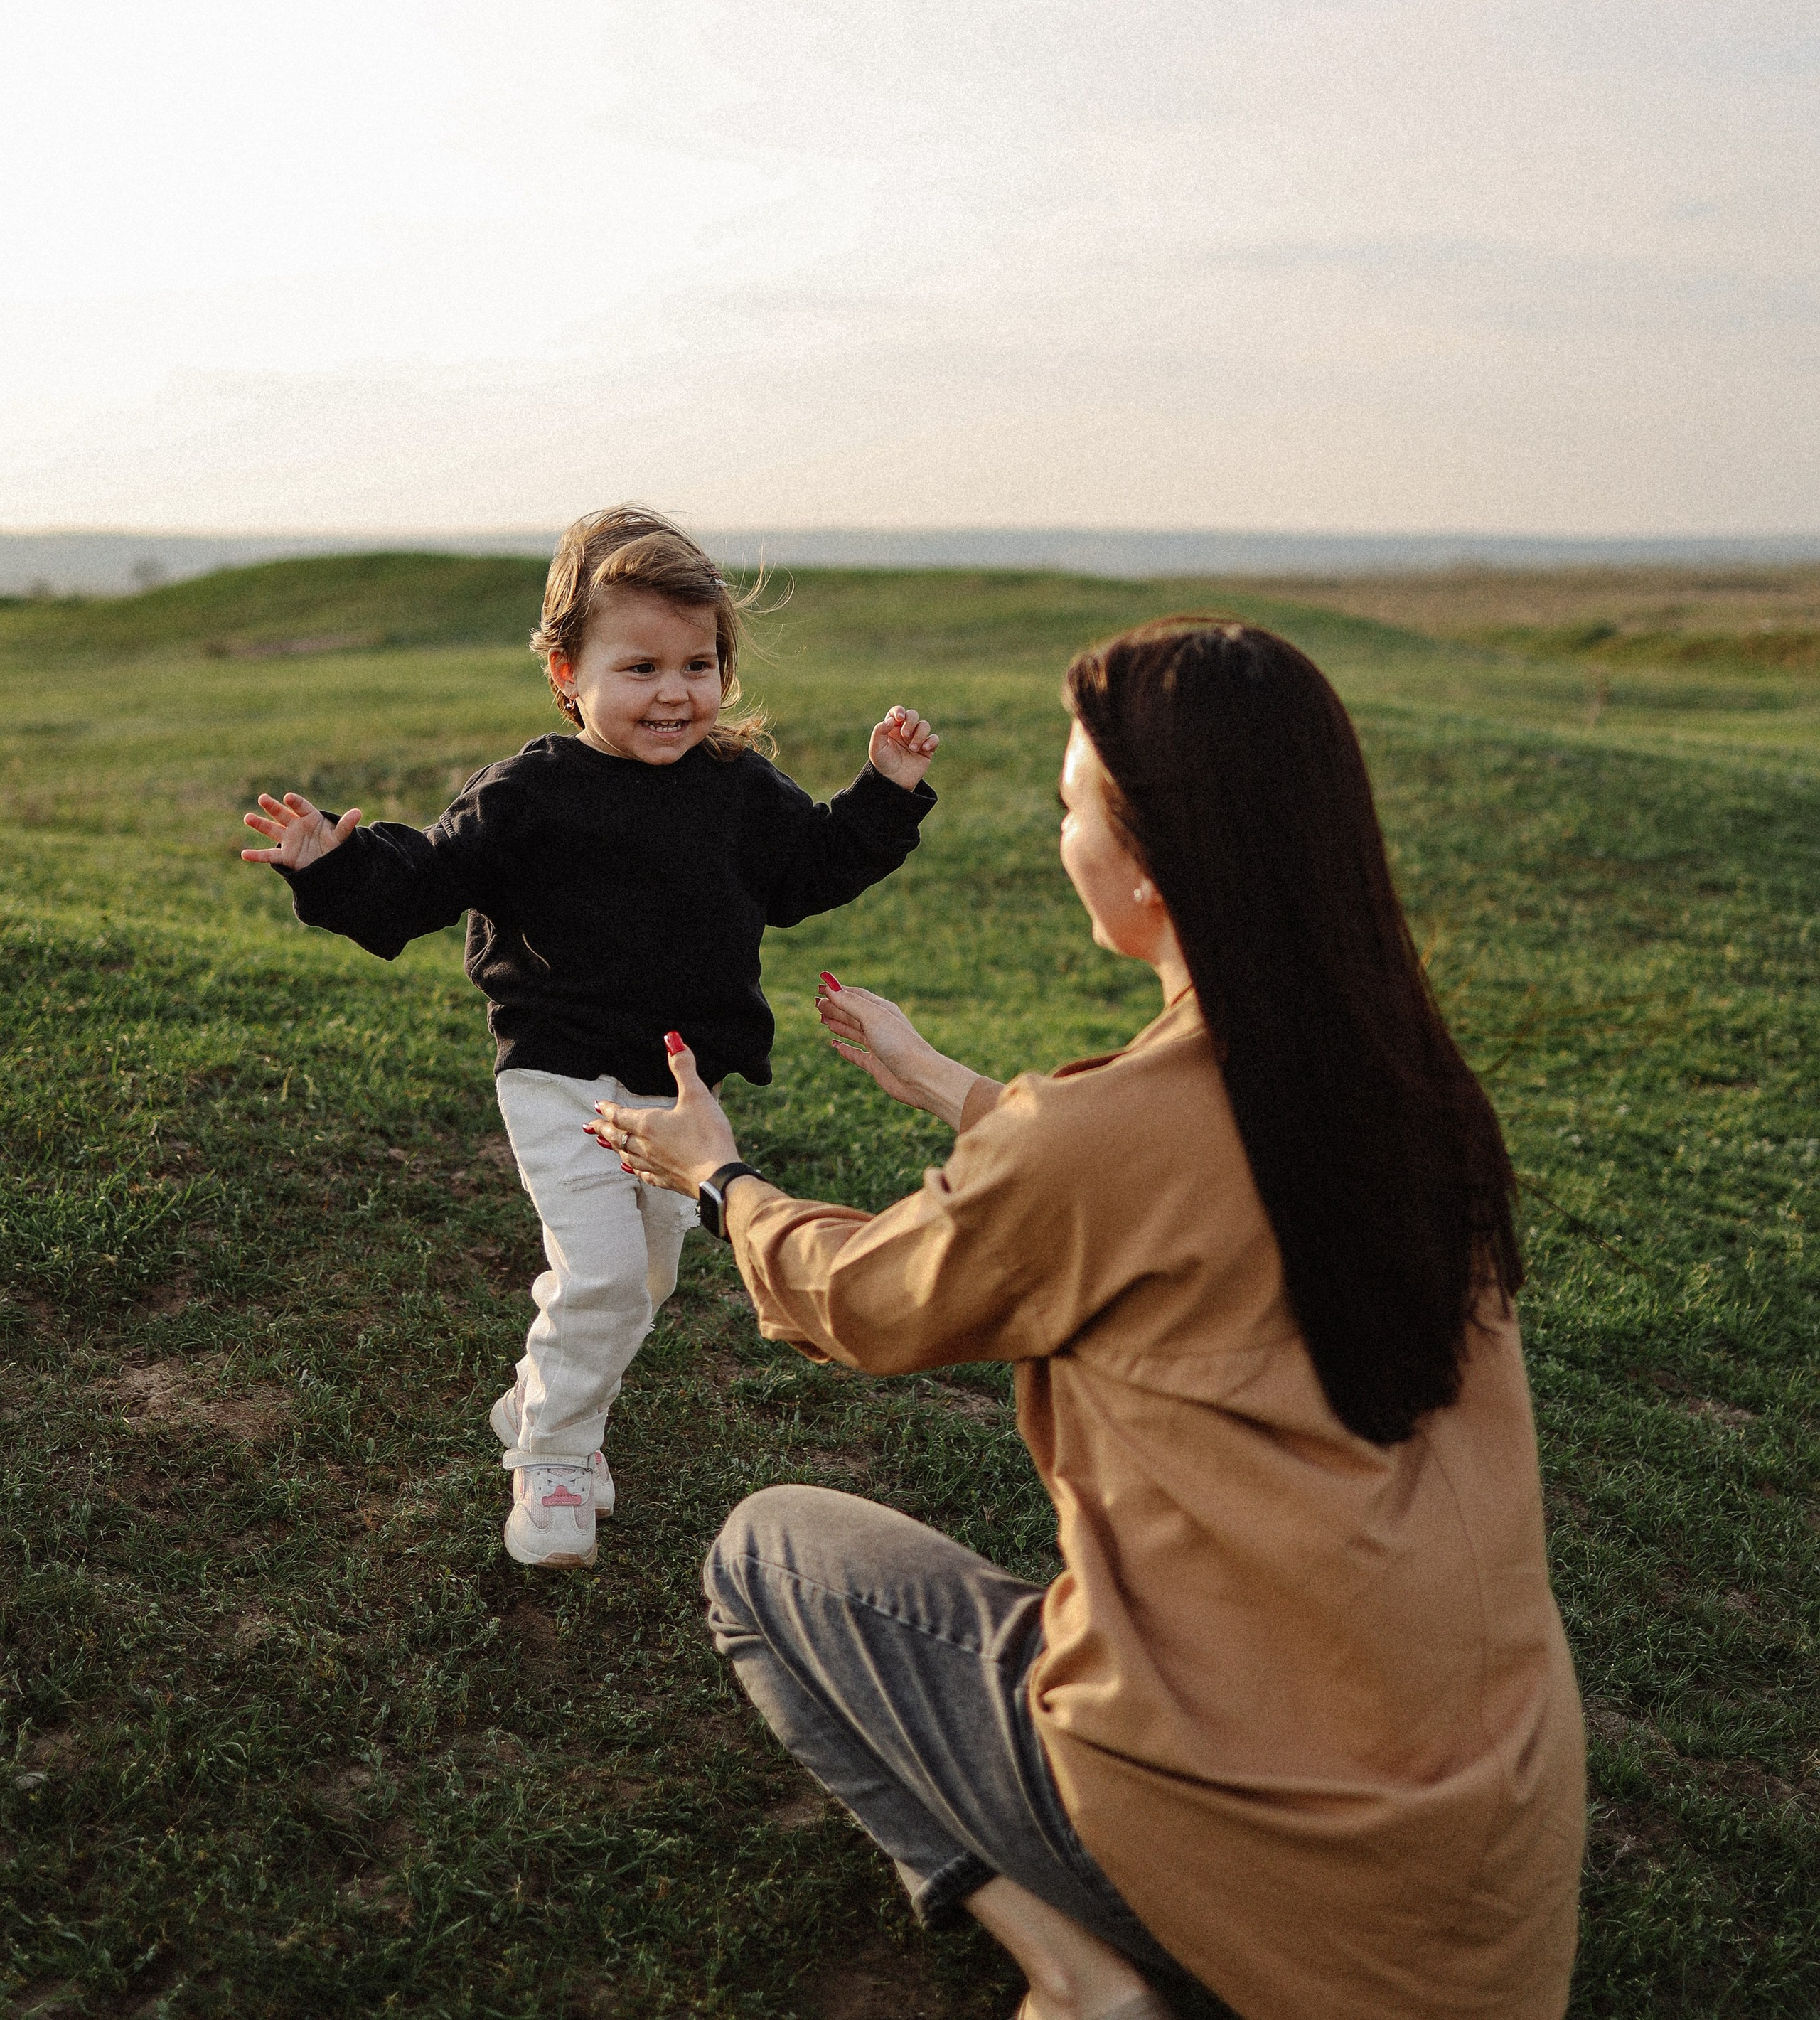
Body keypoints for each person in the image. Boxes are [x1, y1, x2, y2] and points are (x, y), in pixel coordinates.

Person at [593, 618, 1586, 2020]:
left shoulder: (1106, 1142)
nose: (1062, 836)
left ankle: (1077, 1974)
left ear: (1145, 865)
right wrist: (950, 1086)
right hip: (1481, 1868)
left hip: (1253, 1855)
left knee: (765, 1560)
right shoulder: (1400, 1083)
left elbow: (862, 1300)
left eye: (1071, 807)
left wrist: (719, 1178)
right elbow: (1184, 1201)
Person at [239, 506, 939, 1571]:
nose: (675, 692)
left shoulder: (736, 788)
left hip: (676, 1089)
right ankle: (557, 1461)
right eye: (641, 665)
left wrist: (884, 794)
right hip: (558, 1074)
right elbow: (424, 878)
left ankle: (530, 1401)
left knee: (646, 1279)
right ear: (568, 672)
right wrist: (330, 866)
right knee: (605, 1273)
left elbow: (808, 870)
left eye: (698, 664)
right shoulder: (531, 794)